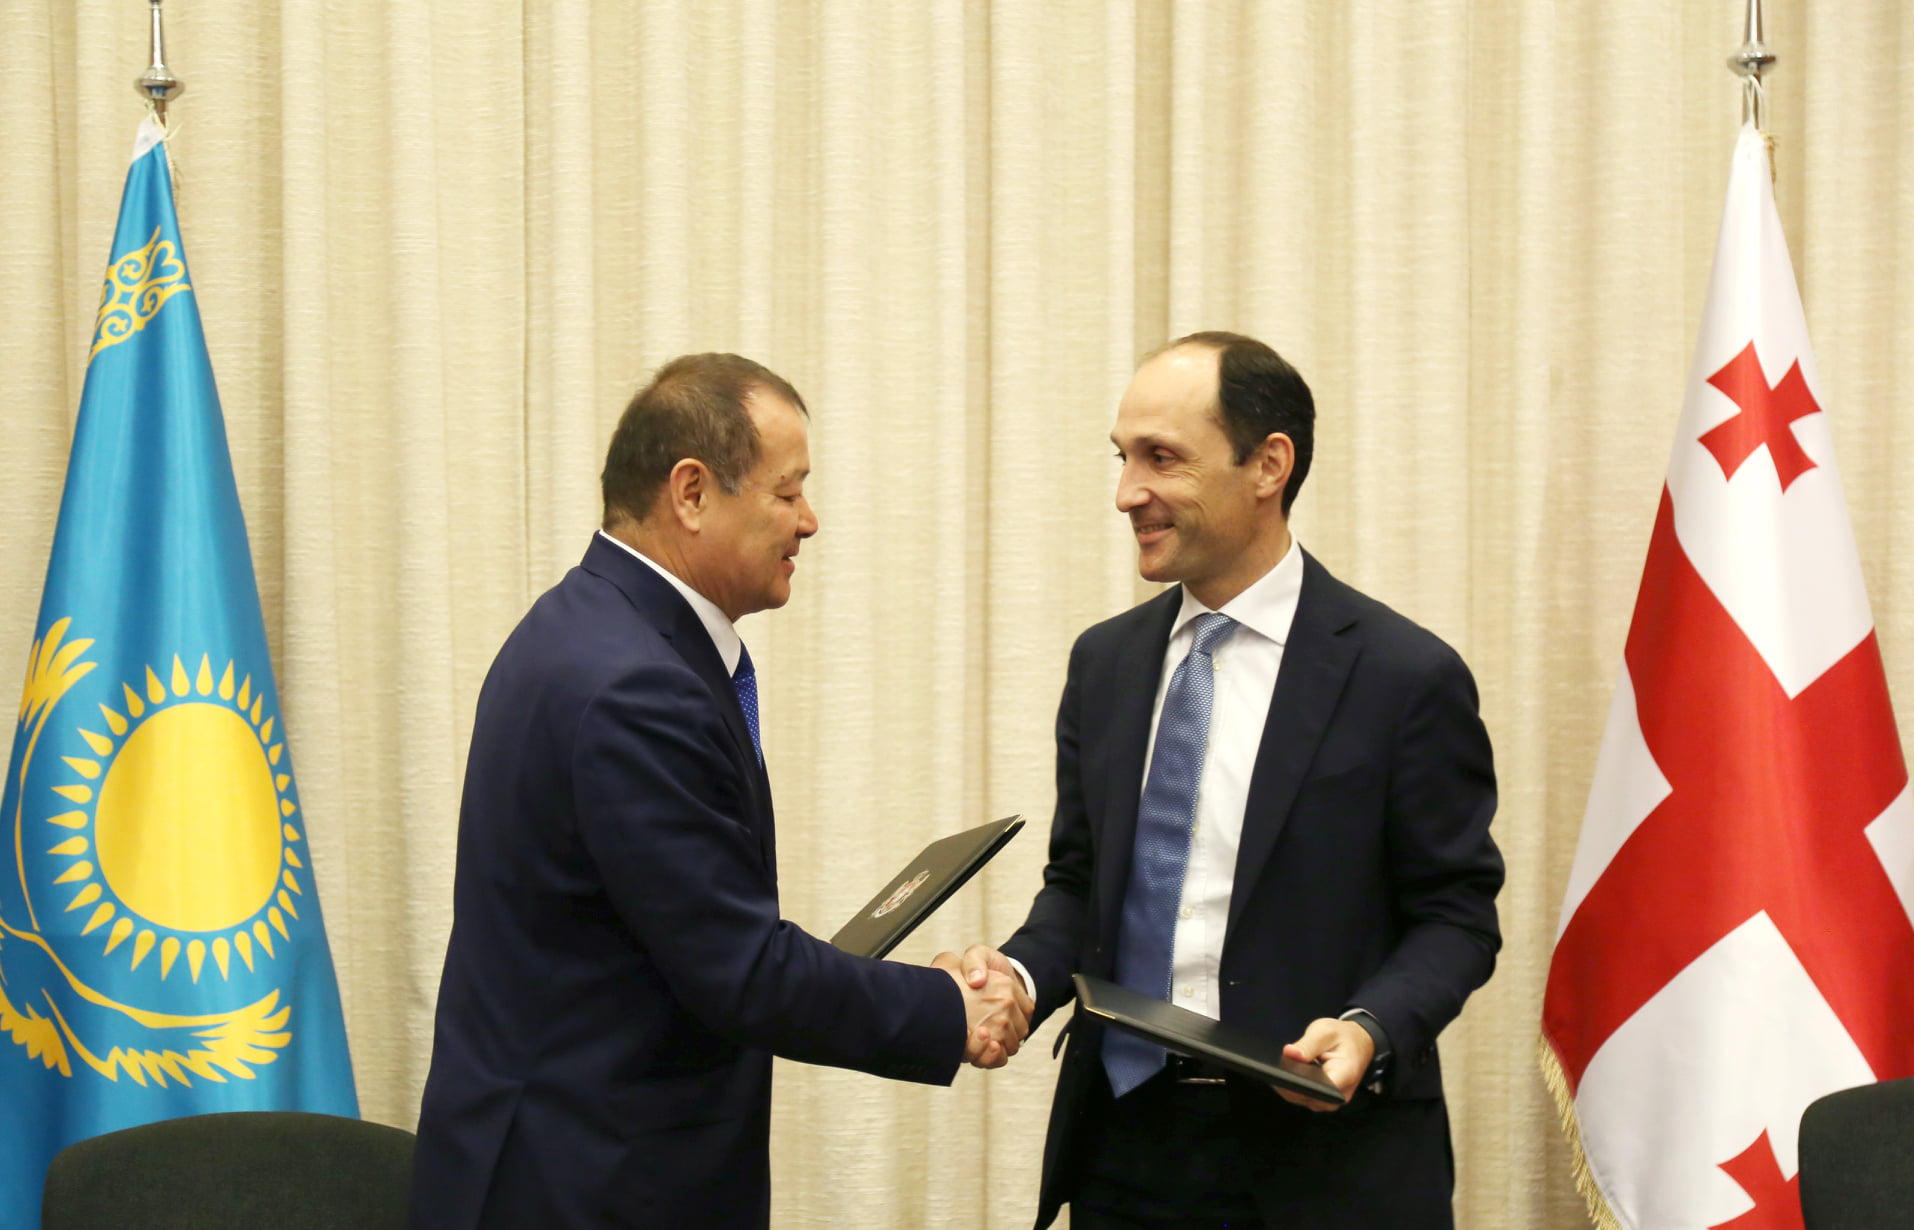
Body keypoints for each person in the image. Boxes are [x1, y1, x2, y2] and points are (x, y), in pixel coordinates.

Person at [409, 353, 1032, 1230]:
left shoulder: (587, 626)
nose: (809, 521)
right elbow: (739, 971)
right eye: (789, 492)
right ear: (692, 492)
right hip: (586, 1185)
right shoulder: (635, 685)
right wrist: (945, 1010)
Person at [962, 332, 1504, 1229]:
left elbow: (1457, 916)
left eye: (1161, 457)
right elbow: (1081, 886)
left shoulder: (1403, 675)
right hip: (1125, 1150)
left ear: (1269, 466)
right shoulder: (1105, 664)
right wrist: (1017, 977)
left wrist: (1367, 1029)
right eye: (1123, 458)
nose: (1127, 492)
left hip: (1324, 1166)